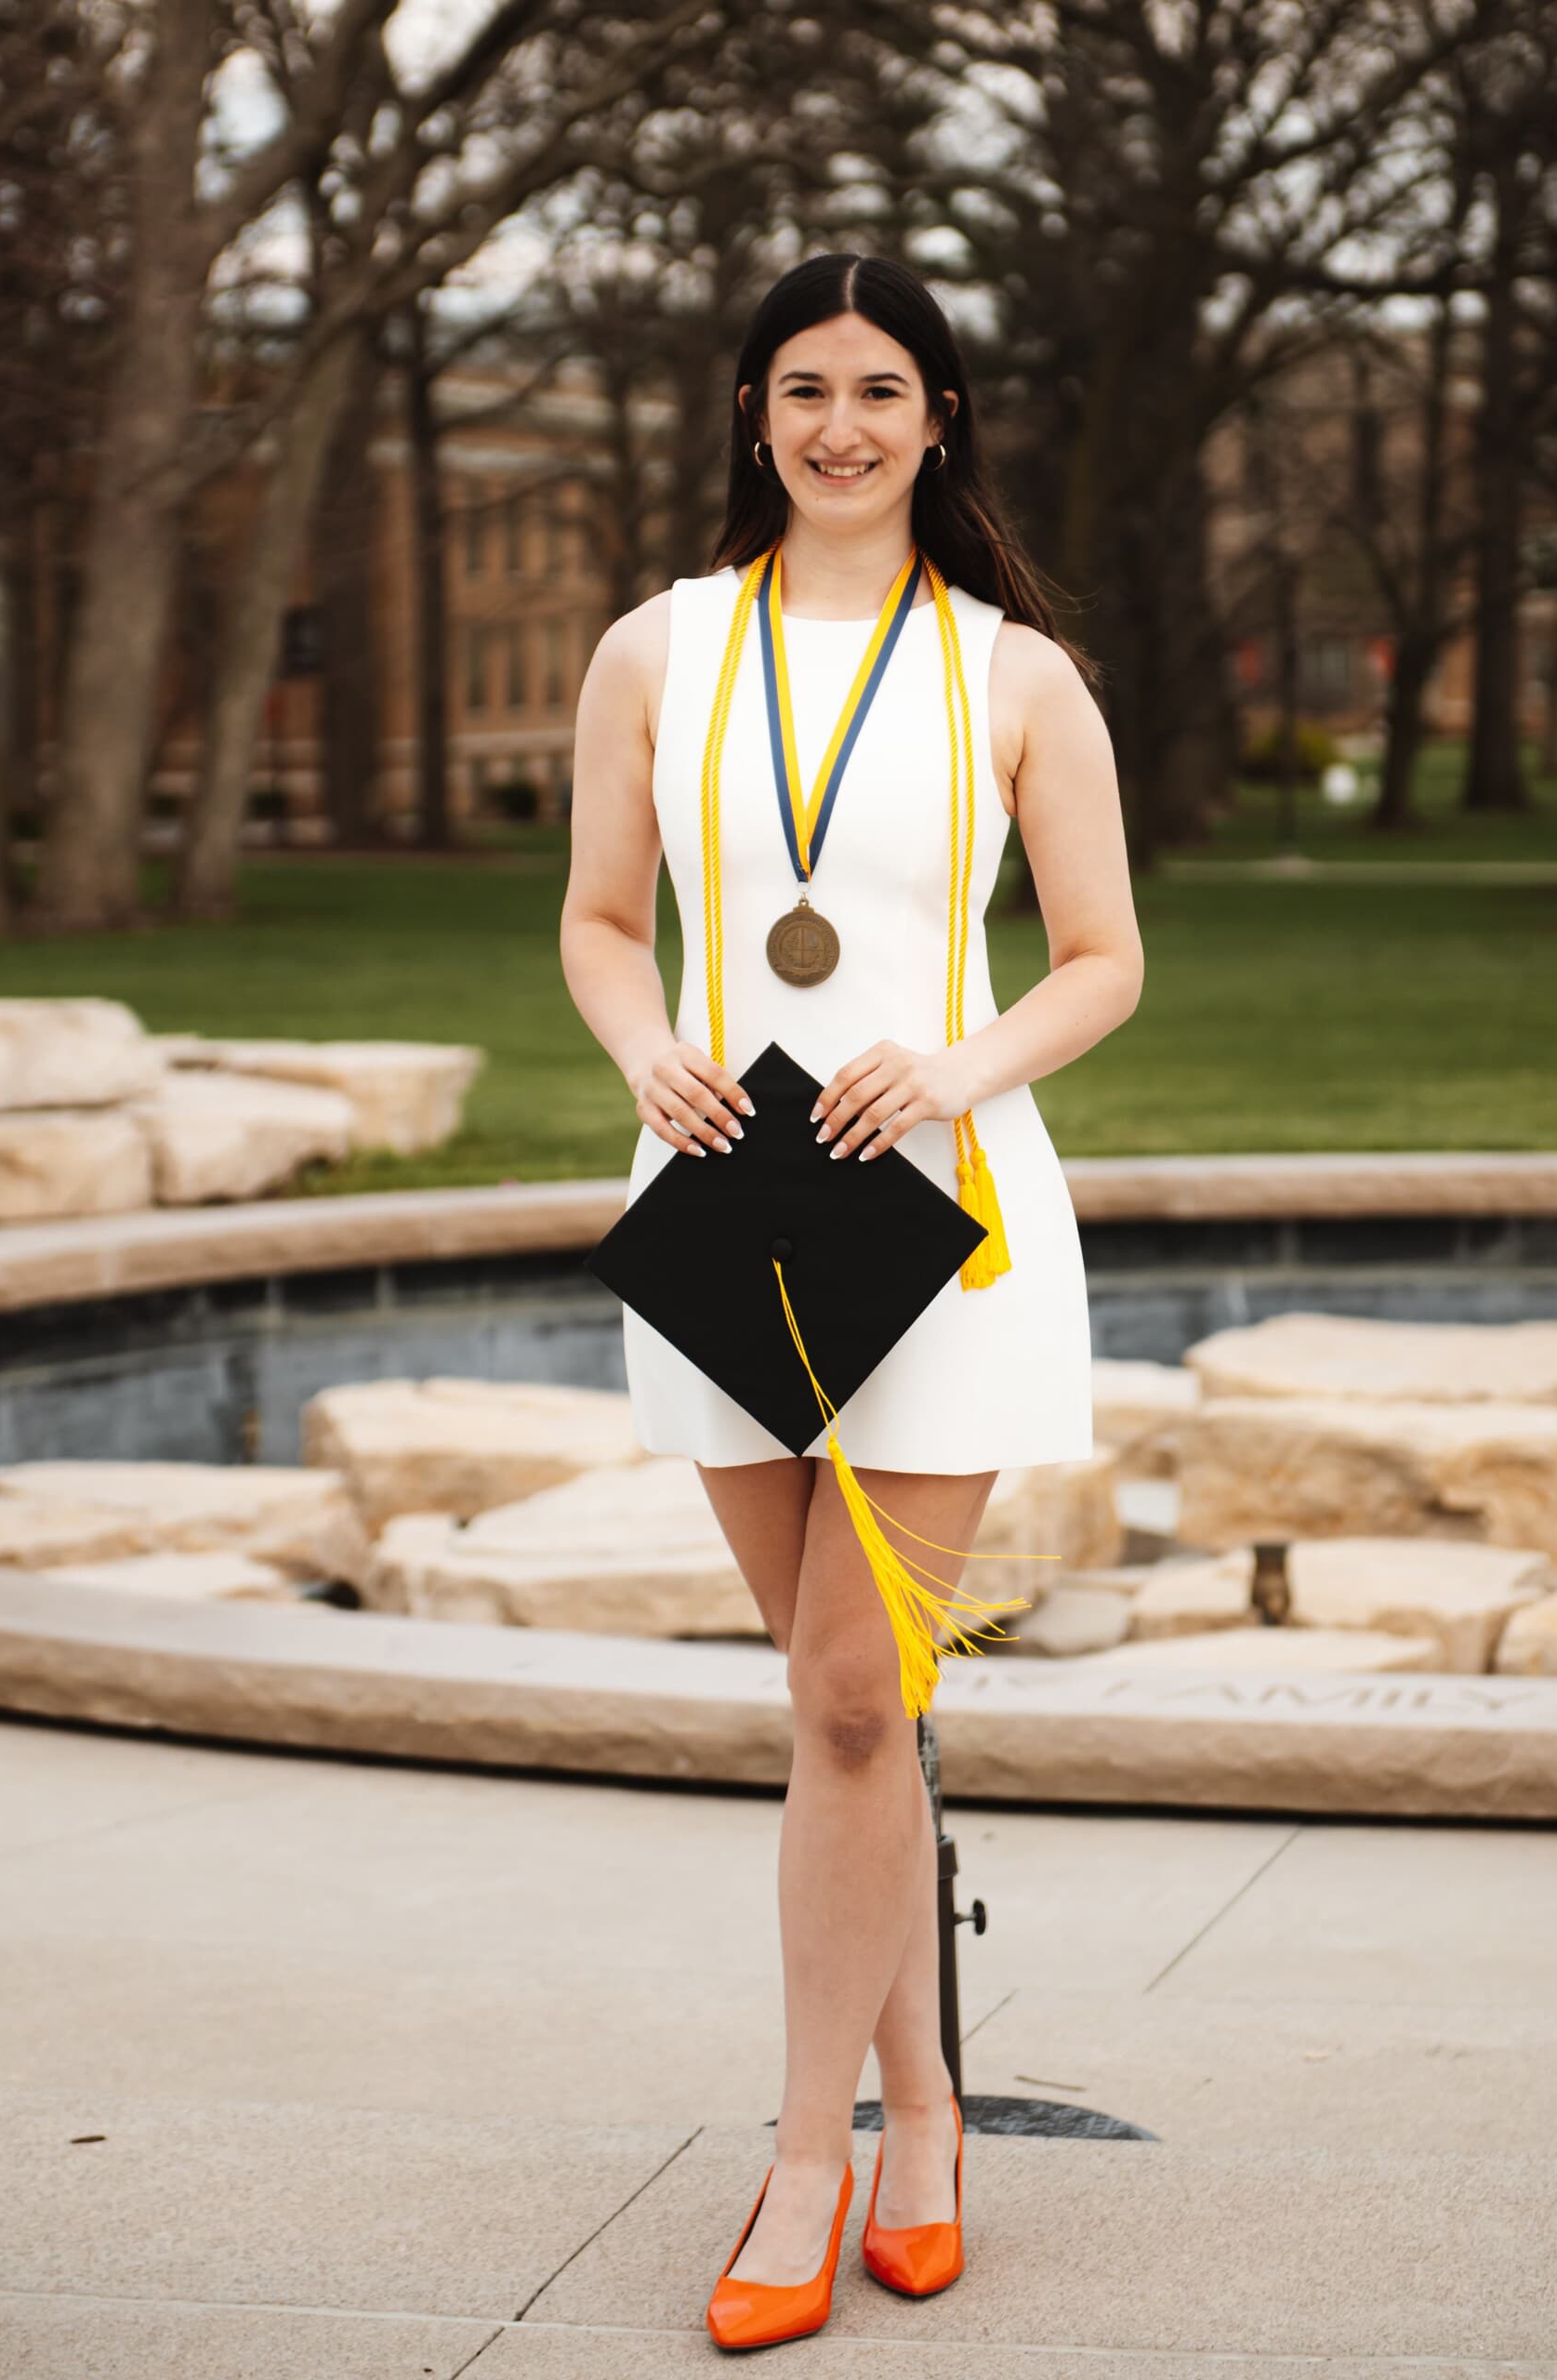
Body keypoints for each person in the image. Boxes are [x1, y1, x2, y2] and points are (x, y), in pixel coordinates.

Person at [560, 250, 1142, 2349]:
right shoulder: (655, 647)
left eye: (877, 386)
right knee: (856, 1714)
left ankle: (801, 2160)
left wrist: (960, 1062)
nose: (837, 422)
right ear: (748, 412)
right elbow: (602, 917)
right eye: (800, 384)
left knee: (834, 1693)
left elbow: (1099, 956)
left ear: (938, 417)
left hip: (944, 1213)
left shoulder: (1010, 674)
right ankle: (923, 2110)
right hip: (721, 1197)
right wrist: (636, 1044)